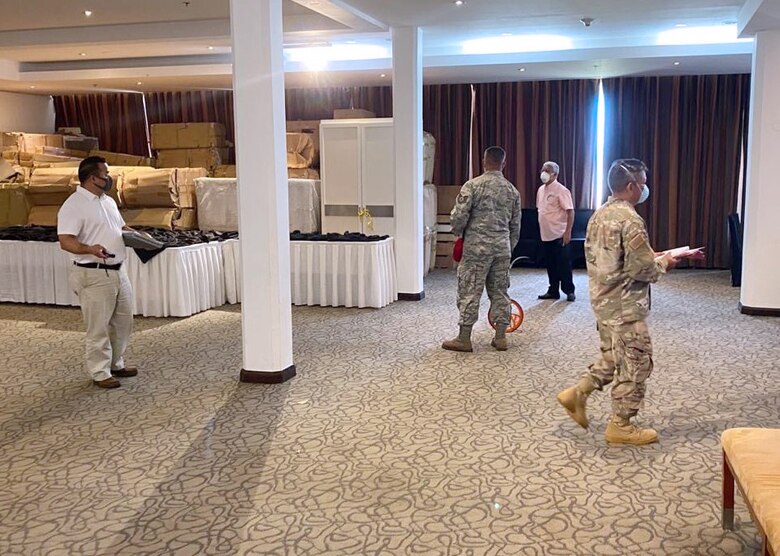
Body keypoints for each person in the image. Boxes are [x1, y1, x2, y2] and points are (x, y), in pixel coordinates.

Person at [556, 158, 701, 445]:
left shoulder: (601, 214)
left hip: (603, 300)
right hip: (624, 306)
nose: (645, 189)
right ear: (632, 186)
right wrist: (665, 263)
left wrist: (663, 254)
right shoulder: (631, 219)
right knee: (637, 362)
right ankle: (620, 425)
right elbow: (642, 269)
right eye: (643, 184)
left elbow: (620, 257)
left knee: (614, 355)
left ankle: (577, 393)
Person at [58, 156, 137, 389]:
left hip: (118, 270)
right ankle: (100, 372)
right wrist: (89, 249)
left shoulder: (107, 201)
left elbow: (120, 227)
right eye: (106, 173)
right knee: (99, 325)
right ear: (93, 178)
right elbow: (66, 241)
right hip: (92, 272)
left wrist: (141, 236)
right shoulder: (73, 205)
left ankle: (115, 363)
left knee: (123, 321)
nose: (109, 177)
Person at [442, 146, 521, 352]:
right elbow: (516, 226)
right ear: (503, 163)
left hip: (476, 249)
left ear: (484, 161)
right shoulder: (512, 191)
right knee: (500, 291)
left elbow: (459, 216)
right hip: (502, 248)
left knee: (470, 289)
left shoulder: (473, 186)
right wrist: (507, 246)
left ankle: (464, 338)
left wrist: (459, 233)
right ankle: (501, 337)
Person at [536, 161, 576, 302]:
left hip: (559, 233)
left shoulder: (562, 190)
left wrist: (568, 232)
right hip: (545, 234)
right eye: (543, 169)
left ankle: (569, 291)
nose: (544, 172)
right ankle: (553, 290)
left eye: (547, 170)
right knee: (551, 265)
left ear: (555, 174)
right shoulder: (541, 190)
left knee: (563, 264)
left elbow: (570, 212)